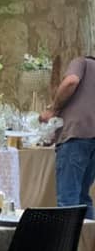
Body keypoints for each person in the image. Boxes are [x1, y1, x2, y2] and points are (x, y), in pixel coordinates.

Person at [40, 55, 95, 218]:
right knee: (83, 197)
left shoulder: (81, 62)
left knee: (68, 199)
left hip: (76, 136)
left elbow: (71, 81)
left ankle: (67, 235)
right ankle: (88, 234)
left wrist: (53, 109)